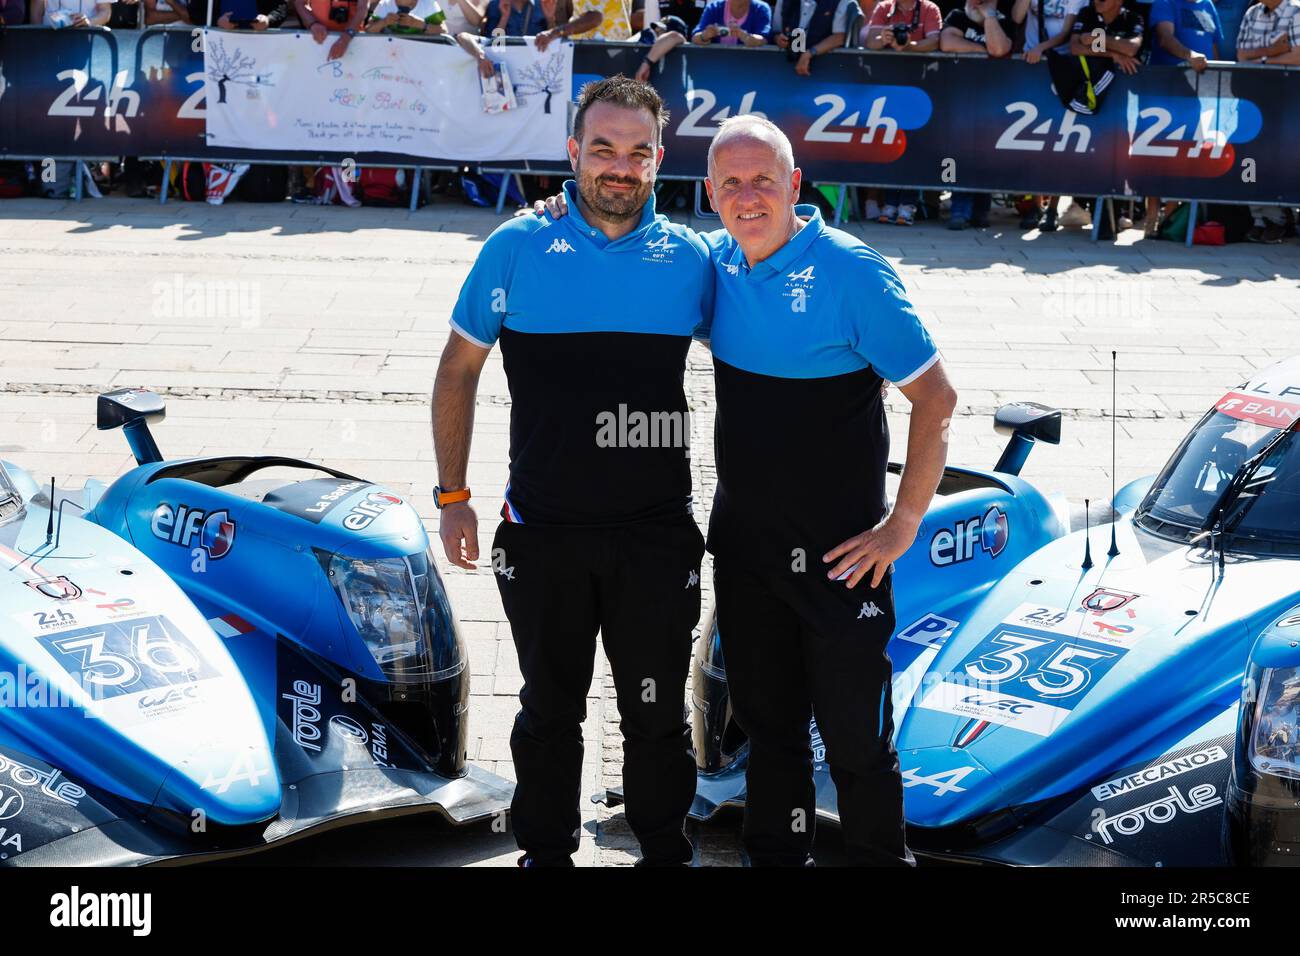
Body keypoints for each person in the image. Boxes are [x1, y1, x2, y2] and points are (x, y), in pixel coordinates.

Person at [432, 77, 713, 868]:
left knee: (655, 717)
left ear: (660, 160)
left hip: (656, 536)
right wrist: (454, 498)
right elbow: (457, 371)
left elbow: (769, 356)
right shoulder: (517, 246)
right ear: (573, 153)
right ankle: (544, 855)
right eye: (603, 149)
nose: (619, 168)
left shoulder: (693, 260)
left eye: (637, 152)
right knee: (548, 711)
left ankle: (666, 852)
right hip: (543, 533)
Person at [700, 115, 953, 866]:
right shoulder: (713, 263)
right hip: (747, 555)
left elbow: (936, 399)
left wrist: (903, 523)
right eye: (732, 184)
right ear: (711, 194)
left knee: (856, 745)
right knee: (770, 741)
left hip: (845, 562)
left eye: (763, 181)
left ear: (796, 186)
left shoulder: (854, 273)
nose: (749, 198)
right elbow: (624, 243)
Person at [863, 0, 943, 224]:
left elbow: (935, 42)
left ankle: (908, 203)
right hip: (889, 85)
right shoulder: (883, 8)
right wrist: (884, 39)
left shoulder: (929, 9)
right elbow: (870, 41)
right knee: (888, 144)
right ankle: (889, 202)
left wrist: (910, 45)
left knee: (914, 146)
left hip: (921, 87)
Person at [940, 0, 1011, 228]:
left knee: (985, 155)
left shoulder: (1003, 20)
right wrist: (983, 50)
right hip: (960, 98)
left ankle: (981, 210)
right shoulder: (957, 15)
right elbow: (947, 42)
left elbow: (999, 48)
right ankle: (959, 209)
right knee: (958, 155)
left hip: (992, 99)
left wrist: (989, 16)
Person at [1235, 0, 1300, 241]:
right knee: (1250, 159)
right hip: (1252, 100)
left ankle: (1279, 218)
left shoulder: (1296, 11)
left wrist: (1260, 59)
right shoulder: (1252, 12)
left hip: (1285, 100)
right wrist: (1274, 51)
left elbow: (1298, 55)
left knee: (1278, 159)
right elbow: (1241, 54)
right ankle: (1259, 218)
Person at [774, 0, 860, 73]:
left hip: (829, 72)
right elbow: (776, 31)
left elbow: (840, 37)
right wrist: (778, 39)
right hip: (784, 70)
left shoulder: (843, 1)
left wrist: (810, 53)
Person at [295, 0, 367, 60]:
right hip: (318, 40)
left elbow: (362, 8)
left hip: (351, 41)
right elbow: (299, 3)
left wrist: (346, 37)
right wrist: (313, 24)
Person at [692, 0, 772, 42]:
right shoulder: (713, 7)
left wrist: (746, 37)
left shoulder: (761, 9)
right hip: (716, 65)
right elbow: (695, 37)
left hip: (750, 65)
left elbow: (764, 39)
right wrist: (705, 36)